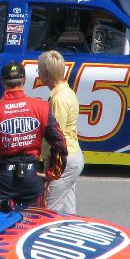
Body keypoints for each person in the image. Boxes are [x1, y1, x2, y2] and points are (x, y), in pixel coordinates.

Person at [0, 61, 67, 207]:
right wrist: (53, 172)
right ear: (24, 80)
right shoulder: (41, 106)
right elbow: (60, 143)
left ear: (2, 82)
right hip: (32, 176)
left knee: (0, 221)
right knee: (35, 220)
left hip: (2, 179)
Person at [37, 50, 84, 215]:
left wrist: (52, 169)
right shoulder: (66, 92)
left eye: (39, 69)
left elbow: (57, 138)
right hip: (72, 157)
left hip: (63, 161)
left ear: (46, 73)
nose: (38, 73)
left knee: (48, 212)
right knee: (67, 212)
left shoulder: (59, 100)